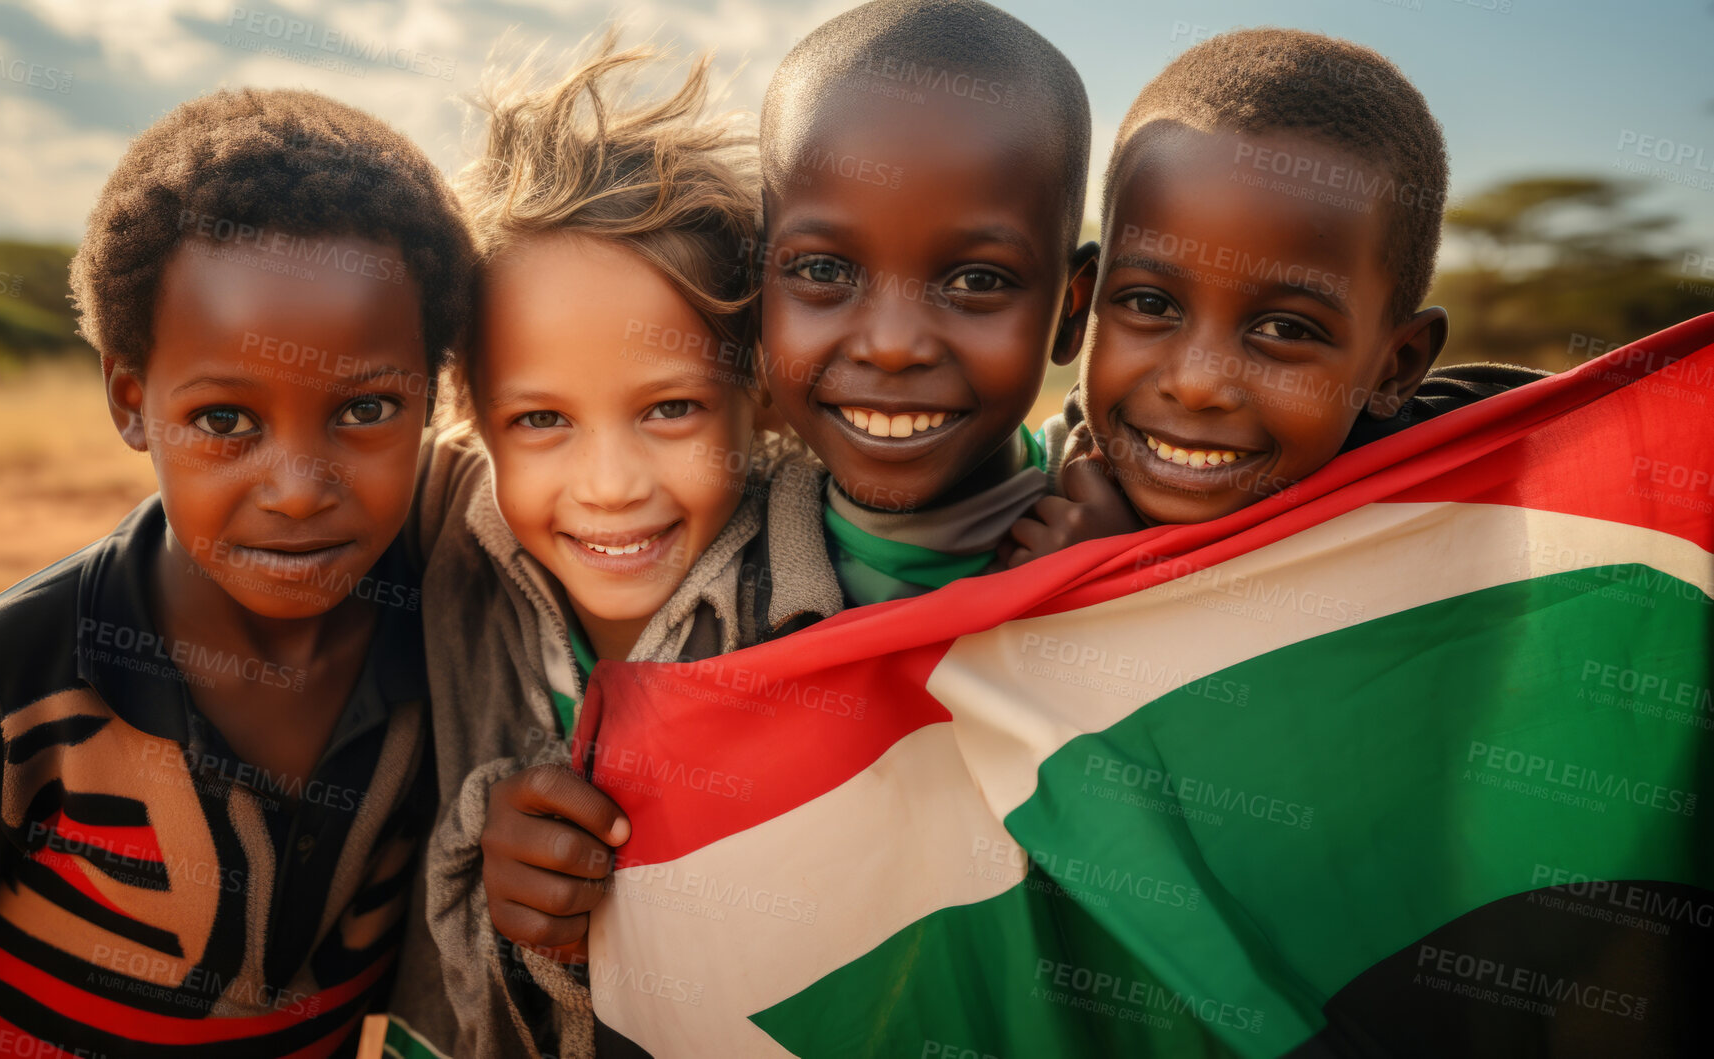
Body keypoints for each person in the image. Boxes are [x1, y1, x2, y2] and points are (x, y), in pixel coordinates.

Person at [0, 88, 474, 1058]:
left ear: (432, 394)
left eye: (366, 408)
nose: (297, 491)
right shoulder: (14, 667)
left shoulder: (453, 643)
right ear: (132, 402)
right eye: (224, 421)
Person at [385, 37, 840, 1059]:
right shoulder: (440, 545)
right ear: (467, 414)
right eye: (540, 420)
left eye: (669, 409)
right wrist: (478, 832)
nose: (608, 486)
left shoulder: (833, 571)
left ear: (755, 383)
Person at [1004, 28, 1546, 559]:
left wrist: (1114, 582)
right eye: (1151, 304)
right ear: (1080, 304)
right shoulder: (1003, 501)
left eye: (1285, 329)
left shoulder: (1475, 534)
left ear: (1395, 367)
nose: (1197, 386)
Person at [754, 0, 1104, 607]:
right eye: (823, 270)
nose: (891, 346)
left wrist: (1129, 581)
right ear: (755, 280)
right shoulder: (694, 586)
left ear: (1072, 311)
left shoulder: (1161, 533)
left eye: (977, 282)